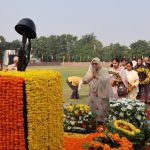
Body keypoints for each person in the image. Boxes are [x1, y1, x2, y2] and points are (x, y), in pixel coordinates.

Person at [82, 57, 113, 123]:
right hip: (93, 94)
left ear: (99, 63)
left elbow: (106, 80)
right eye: (93, 64)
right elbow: (84, 81)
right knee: (92, 107)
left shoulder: (104, 70)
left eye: (96, 63)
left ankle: (101, 122)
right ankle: (93, 121)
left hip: (101, 94)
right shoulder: (90, 70)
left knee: (101, 108)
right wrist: (92, 76)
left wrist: (96, 76)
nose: (94, 65)